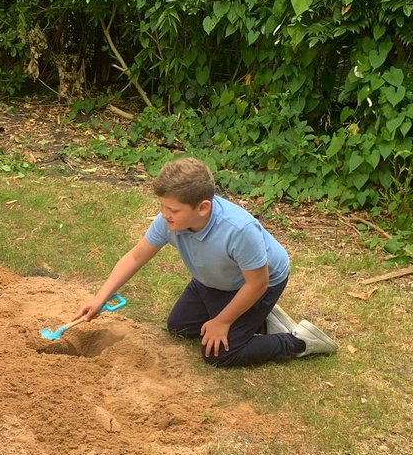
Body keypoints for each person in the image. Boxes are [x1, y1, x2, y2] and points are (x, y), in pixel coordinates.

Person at [73, 157, 336, 367]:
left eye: (173, 210)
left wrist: (222, 322)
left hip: (258, 282)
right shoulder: (167, 221)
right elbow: (135, 257)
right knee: (180, 327)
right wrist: (101, 298)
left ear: (203, 208)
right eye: (162, 206)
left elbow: (258, 283)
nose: (165, 215)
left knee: (220, 354)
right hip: (212, 278)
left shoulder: (239, 230)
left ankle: (299, 342)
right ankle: (261, 321)